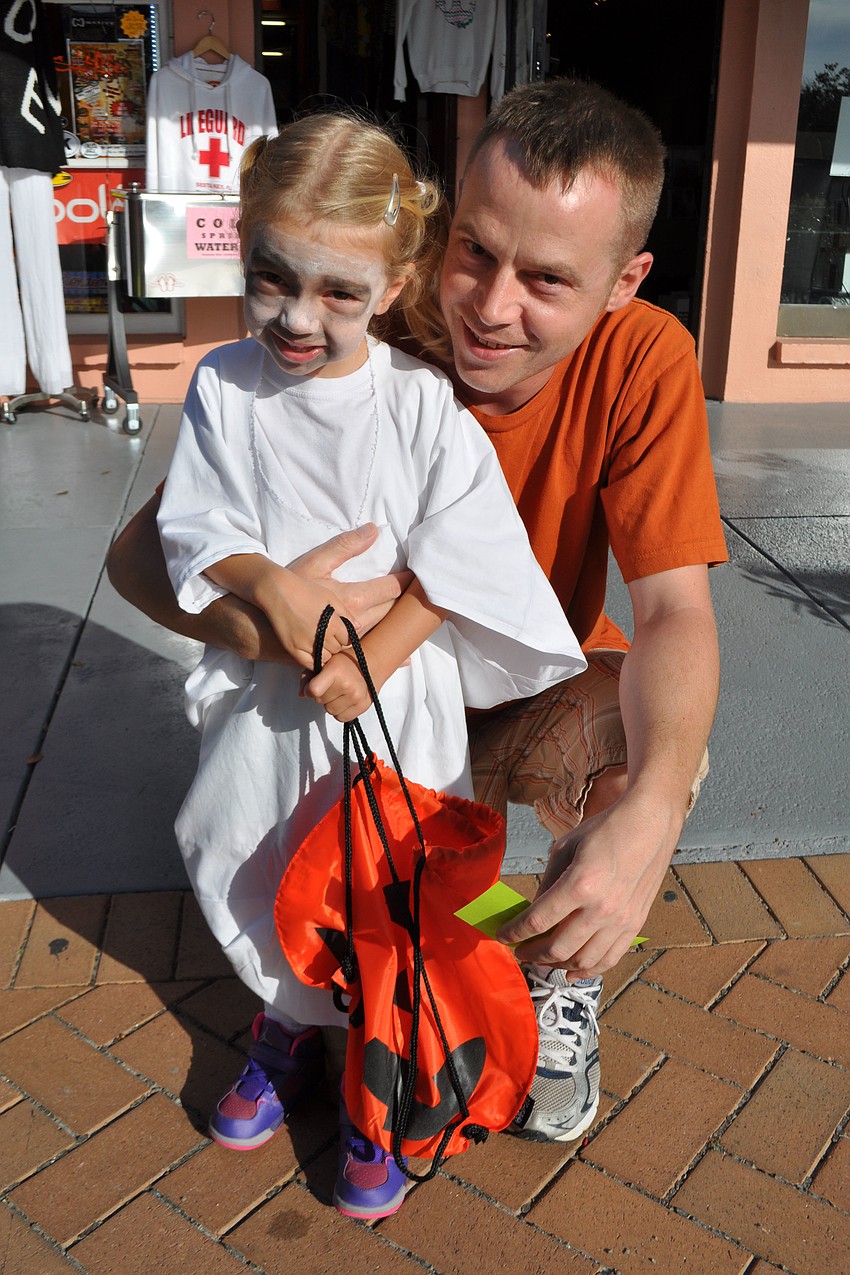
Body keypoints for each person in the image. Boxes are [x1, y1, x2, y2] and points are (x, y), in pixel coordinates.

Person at [108, 80, 726, 1158]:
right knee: (296, 856)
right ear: (432, 241)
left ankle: (553, 976)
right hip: (344, 692)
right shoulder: (352, 316)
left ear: (623, 282)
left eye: (546, 279)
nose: (489, 305)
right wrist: (290, 629)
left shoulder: (643, 360)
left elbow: (675, 606)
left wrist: (655, 815)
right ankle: (316, 1009)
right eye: (475, 253)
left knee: (642, 745)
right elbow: (140, 561)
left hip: (504, 680)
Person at [152, 110, 585, 1220]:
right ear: (242, 250)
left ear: (393, 286)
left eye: (338, 292)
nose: (299, 317)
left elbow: (462, 555)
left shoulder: (418, 406)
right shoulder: (222, 385)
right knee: (248, 844)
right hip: (269, 700)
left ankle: (377, 1079)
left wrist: (375, 655)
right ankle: (290, 1023)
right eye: (273, 280)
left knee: (383, 883)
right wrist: (273, 586)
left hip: (394, 703)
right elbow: (196, 523)